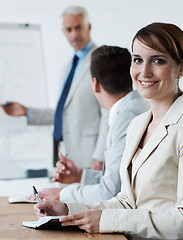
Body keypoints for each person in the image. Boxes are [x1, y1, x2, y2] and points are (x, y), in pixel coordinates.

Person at [33, 22, 183, 240]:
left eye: (158, 60)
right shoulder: (137, 125)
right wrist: (68, 209)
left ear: (182, 67)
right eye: (137, 60)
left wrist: (104, 220)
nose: (144, 71)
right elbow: (126, 201)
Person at [33, 45, 149, 203]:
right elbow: (118, 180)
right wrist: (80, 175)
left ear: (95, 84)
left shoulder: (126, 117)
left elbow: (109, 192)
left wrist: (61, 194)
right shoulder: (133, 106)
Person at [0, 6, 108, 170]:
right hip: (64, 154)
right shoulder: (68, 67)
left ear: (89, 27)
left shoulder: (103, 60)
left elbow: (109, 113)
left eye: (78, 27)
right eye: (69, 29)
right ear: (63, 31)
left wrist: (100, 157)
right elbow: (64, 113)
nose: (74, 34)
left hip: (90, 158)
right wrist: (26, 112)